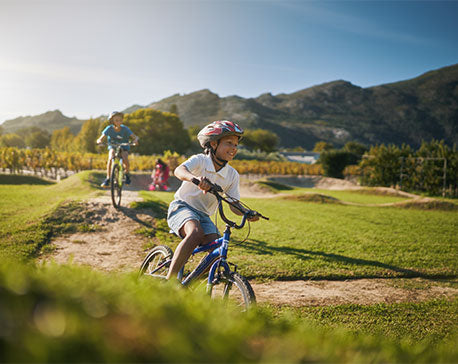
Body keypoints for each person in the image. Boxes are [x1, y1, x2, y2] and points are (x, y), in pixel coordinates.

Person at [166, 120, 259, 280]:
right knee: (195, 233)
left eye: (236, 145)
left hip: (204, 216)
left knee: (217, 250)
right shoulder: (200, 160)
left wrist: (246, 213)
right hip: (182, 207)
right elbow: (179, 170)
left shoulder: (232, 174)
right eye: (229, 143)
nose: (234, 148)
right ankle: (170, 280)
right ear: (214, 144)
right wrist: (194, 178)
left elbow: (233, 204)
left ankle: (189, 284)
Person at [96, 111, 139, 188]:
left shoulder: (125, 129)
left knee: (125, 158)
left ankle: (127, 175)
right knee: (110, 158)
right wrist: (99, 141)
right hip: (113, 146)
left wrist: (135, 140)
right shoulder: (109, 129)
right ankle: (108, 178)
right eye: (116, 120)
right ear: (112, 121)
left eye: (120, 120)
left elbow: (134, 137)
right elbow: (101, 138)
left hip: (124, 147)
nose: (118, 122)